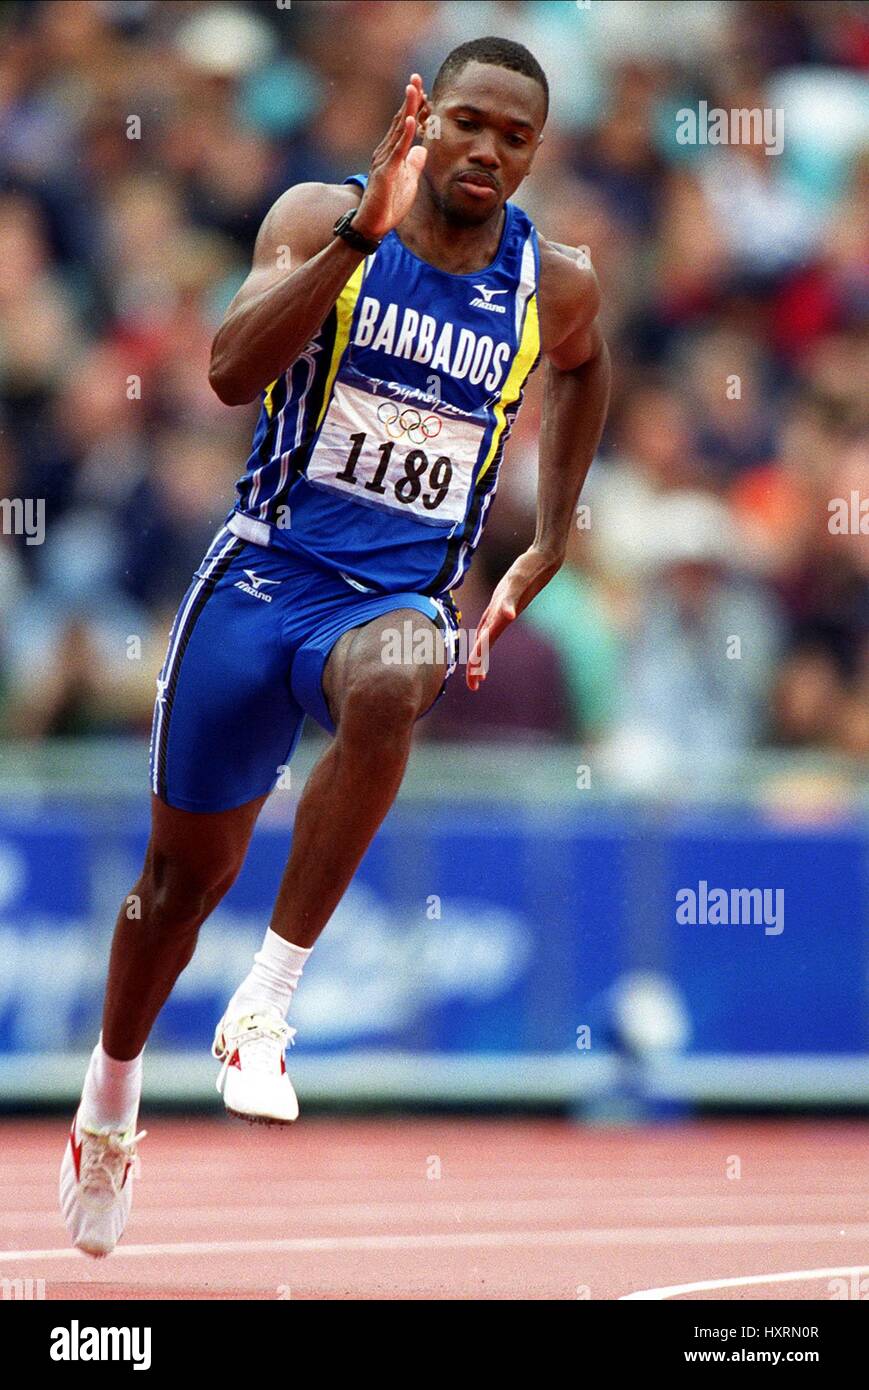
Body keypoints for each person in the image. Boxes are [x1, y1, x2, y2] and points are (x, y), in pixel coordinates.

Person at [60, 36, 610, 1257]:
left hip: (394, 599)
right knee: (173, 889)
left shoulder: (549, 281)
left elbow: (581, 366)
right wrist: (362, 232)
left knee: (403, 676)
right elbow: (224, 370)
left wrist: (553, 534)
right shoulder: (322, 212)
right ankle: (110, 1099)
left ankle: (268, 1005)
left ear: (532, 152)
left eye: (513, 137)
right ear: (425, 119)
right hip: (260, 581)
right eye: (465, 121)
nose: (485, 151)